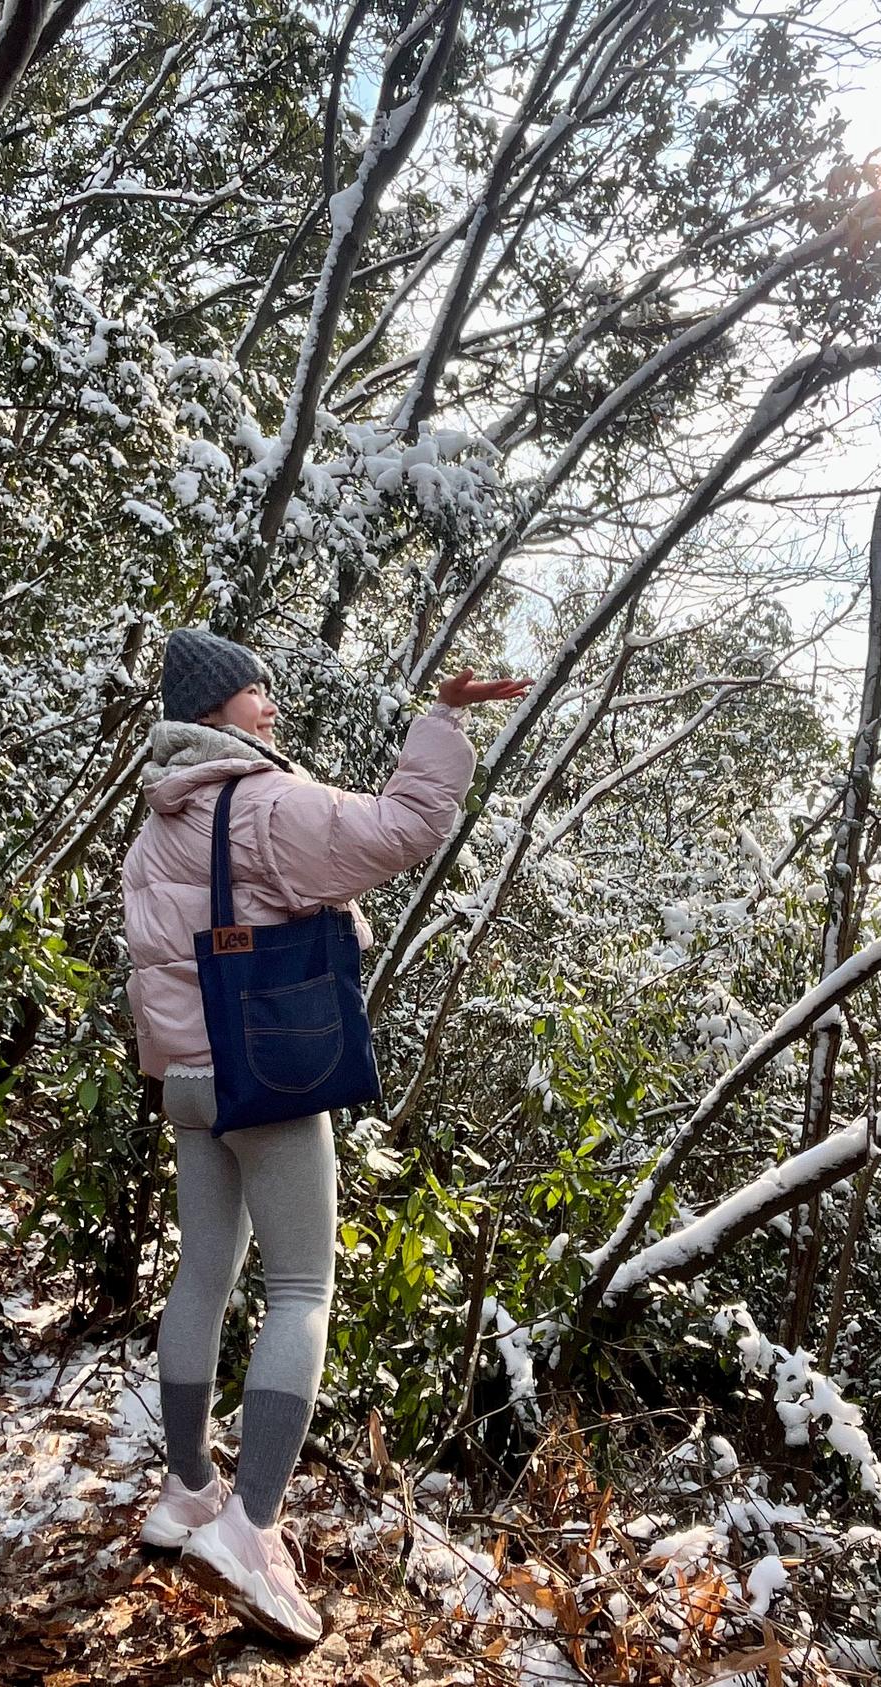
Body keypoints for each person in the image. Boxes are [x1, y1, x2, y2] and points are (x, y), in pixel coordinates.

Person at [122, 626, 533, 1646]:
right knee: (300, 1287)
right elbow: (401, 827)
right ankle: (248, 1526)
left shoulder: (157, 820)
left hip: (184, 1079)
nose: (272, 708)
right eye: (260, 693)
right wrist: (439, 721)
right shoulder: (260, 804)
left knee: (201, 1276)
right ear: (221, 707)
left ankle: (183, 1490)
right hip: (267, 1072)